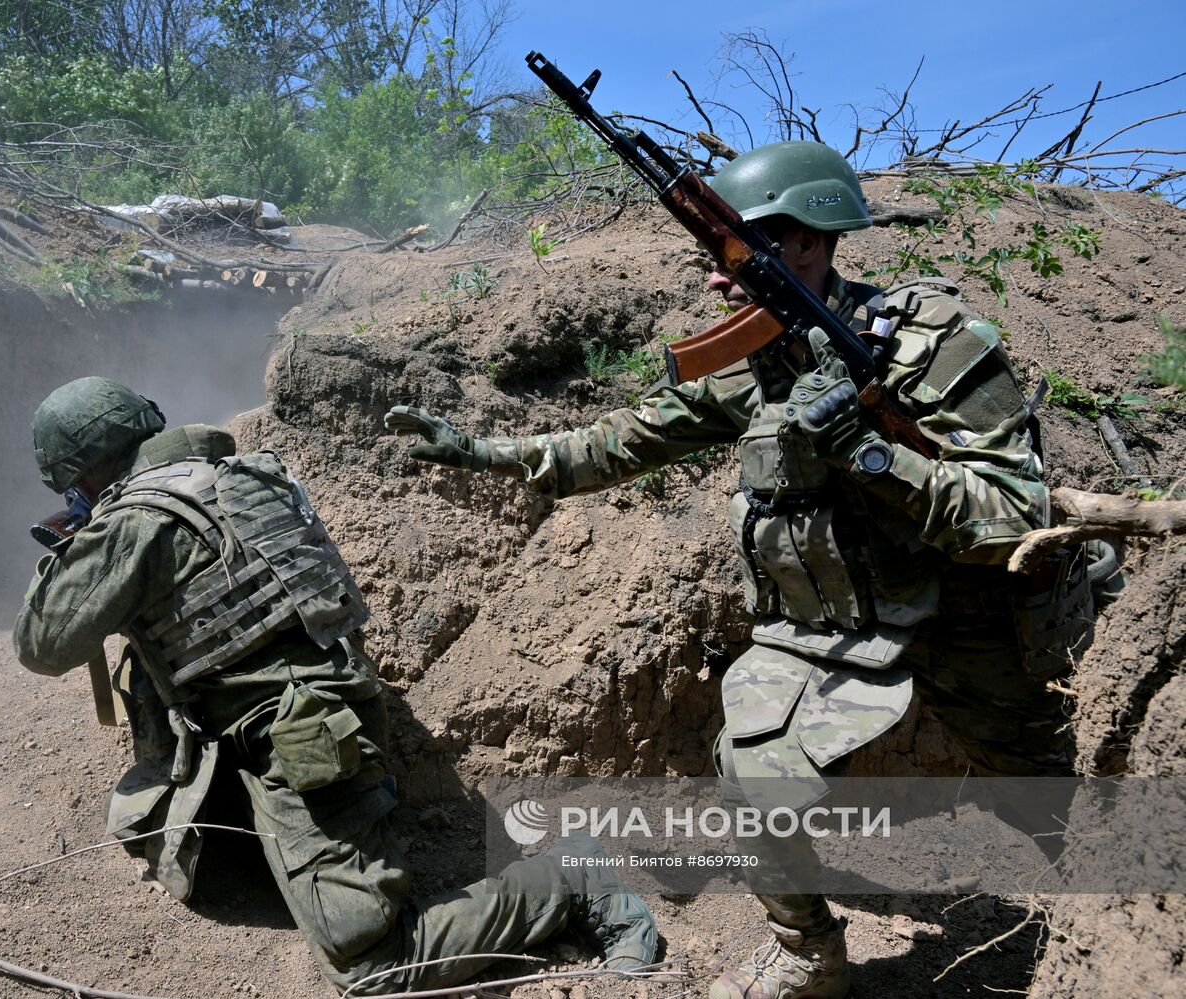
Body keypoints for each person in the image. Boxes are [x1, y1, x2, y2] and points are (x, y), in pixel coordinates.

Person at [385, 141, 1108, 999]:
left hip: (974, 618)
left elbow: (1018, 514)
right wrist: (484, 452)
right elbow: (620, 441)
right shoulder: (757, 366)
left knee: (1061, 800)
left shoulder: (934, 341)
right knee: (750, 767)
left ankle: (1122, 937)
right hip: (840, 632)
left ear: (807, 241)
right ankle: (808, 954)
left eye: (732, 255)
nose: (715, 280)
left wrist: (870, 453)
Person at [13, 376, 659, 995]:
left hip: (306, 746)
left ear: (82, 474)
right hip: (314, 714)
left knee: (374, 965)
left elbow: (40, 643)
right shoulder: (240, 474)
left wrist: (75, 545)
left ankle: (572, 880)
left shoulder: (135, 522)